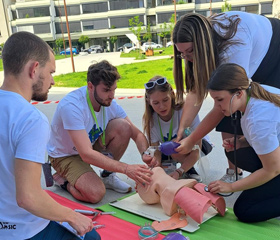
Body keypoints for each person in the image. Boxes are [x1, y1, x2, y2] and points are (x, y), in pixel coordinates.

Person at [0, 32, 100, 240]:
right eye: (51, 72)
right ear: (34, 69)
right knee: (92, 238)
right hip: (22, 231)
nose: (53, 81)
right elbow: (27, 197)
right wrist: (71, 216)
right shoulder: (30, 119)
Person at [172, 11, 280, 182]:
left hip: (274, 51)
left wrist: (192, 138)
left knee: (240, 108)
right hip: (253, 47)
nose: (187, 58)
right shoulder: (201, 45)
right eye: (182, 53)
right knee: (229, 111)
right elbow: (195, 90)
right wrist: (182, 130)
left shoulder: (233, 48)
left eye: (190, 51)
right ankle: (235, 172)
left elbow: (224, 105)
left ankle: (271, 170)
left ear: (202, 44)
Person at [47, 60, 153, 204]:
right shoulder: (72, 106)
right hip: (65, 155)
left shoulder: (109, 102)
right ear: (90, 86)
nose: (112, 95)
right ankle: (62, 181)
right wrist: (127, 169)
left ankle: (107, 176)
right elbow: (86, 154)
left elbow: (137, 134)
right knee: (95, 193)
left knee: (123, 126)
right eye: (106, 90)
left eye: (114, 89)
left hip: (88, 145)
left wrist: (146, 155)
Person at [207, 63, 280, 223]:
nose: (217, 107)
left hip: (276, 166)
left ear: (238, 94)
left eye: (220, 100)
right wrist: (241, 141)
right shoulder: (255, 93)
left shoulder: (258, 119)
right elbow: (273, 132)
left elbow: (273, 169)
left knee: (244, 210)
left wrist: (231, 187)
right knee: (234, 151)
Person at [142, 76, 212, 182]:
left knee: (175, 147)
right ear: (148, 101)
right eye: (156, 103)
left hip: (200, 145)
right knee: (167, 151)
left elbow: (197, 147)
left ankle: (187, 169)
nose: (162, 106)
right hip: (170, 150)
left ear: (172, 94)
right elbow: (155, 150)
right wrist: (156, 168)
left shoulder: (185, 111)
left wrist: (179, 171)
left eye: (165, 100)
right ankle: (177, 167)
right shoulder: (151, 121)